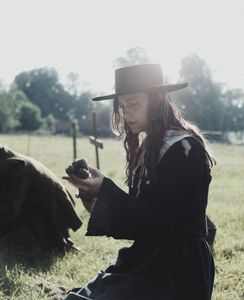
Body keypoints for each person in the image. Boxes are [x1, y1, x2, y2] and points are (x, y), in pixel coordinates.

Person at [63, 64, 215, 300]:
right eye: (122, 107)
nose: (126, 113)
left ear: (156, 101)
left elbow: (161, 223)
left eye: (133, 104)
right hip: (146, 259)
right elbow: (140, 221)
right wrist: (95, 199)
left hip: (177, 271)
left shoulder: (184, 149)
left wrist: (107, 190)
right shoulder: (150, 147)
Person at [0, 144, 82, 253]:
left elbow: (8, 211)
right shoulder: (6, 159)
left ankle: (57, 244)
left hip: (48, 215)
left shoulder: (15, 166)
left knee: (9, 247)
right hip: (29, 210)